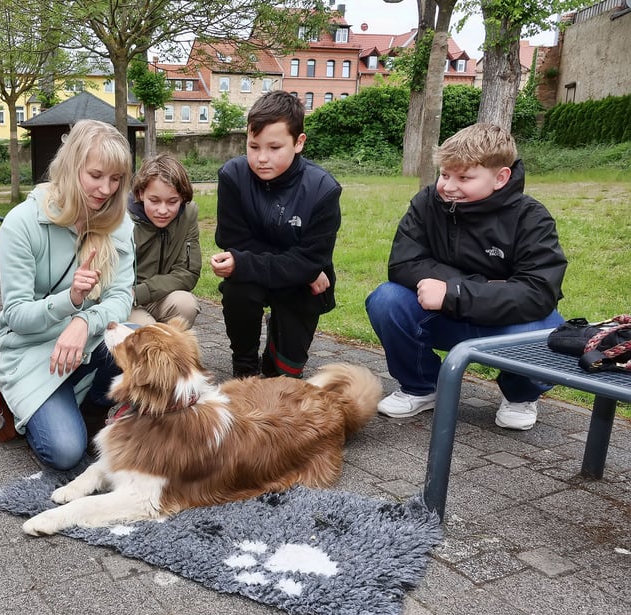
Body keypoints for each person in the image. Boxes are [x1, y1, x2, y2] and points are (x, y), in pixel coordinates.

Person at [365, 122, 567, 430]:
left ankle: (520, 395)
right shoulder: (426, 202)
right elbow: (403, 263)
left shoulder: (532, 217)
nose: (448, 186)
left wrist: (455, 291)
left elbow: (538, 292)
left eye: (464, 178)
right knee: (386, 299)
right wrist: (480, 288)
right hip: (447, 316)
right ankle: (421, 387)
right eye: (445, 174)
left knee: (547, 332)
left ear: (501, 177)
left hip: (506, 322)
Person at [0, 119, 136, 470]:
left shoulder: (119, 223)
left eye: (116, 179)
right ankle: (47, 404)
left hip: (89, 342)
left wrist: (83, 322)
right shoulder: (21, 223)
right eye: (96, 175)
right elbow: (17, 317)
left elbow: (121, 298)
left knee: (140, 340)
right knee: (66, 451)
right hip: (32, 351)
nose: (106, 189)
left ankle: (91, 406)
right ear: (72, 167)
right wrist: (70, 300)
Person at [209, 90, 342, 378]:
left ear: (299, 143)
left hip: (302, 288)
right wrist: (302, 268)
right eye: (253, 146)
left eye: (274, 147)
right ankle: (244, 364)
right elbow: (232, 241)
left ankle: (278, 346)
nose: (261, 158)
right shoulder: (232, 176)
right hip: (278, 278)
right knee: (238, 287)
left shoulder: (324, 189)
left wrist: (303, 268)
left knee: (282, 376)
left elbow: (310, 260)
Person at [127, 154, 202, 327]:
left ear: (182, 198)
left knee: (186, 305)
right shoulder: (122, 217)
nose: (163, 210)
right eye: (154, 201)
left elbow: (188, 273)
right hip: (126, 299)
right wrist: (130, 295)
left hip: (159, 296)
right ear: (140, 193)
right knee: (148, 330)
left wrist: (143, 292)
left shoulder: (189, 215)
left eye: (172, 202)